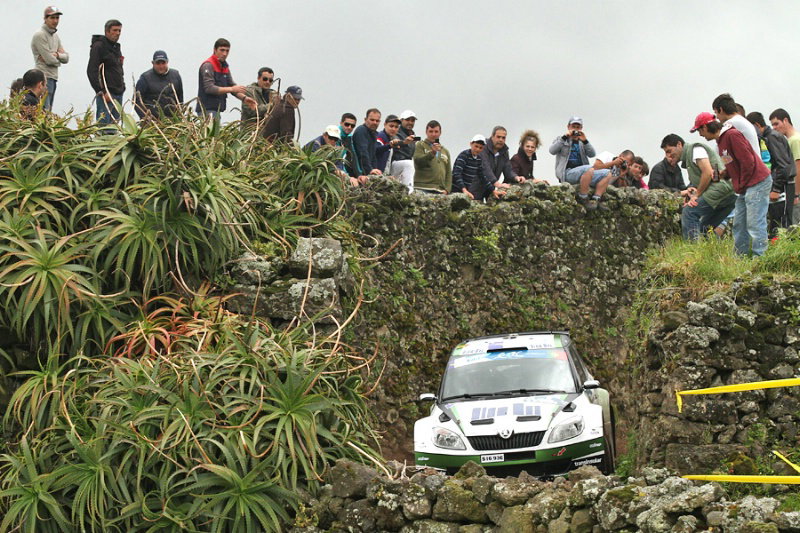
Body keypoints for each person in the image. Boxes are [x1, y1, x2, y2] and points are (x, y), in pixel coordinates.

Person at [695, 114, 772, 256]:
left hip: (757, 181)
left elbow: (748, 162)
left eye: (700, 130)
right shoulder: (720, 142)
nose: (700, 134)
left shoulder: (732, 135)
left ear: (705, 127)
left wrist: (741, 183)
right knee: (739, 224)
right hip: (747, 185)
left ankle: (760, 259)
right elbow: (734, 163)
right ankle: (740, 258)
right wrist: (725, 174)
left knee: (755, 222)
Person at [662, 130, 735, 241]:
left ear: (679, 144)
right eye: (666, 153)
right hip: (729, 194)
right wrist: (693, 191)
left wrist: (697, 194)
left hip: (720, 189)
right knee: (704, 228)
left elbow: (707, 172)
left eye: (669, 151)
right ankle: (712, 253)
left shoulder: (695, 149)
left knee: (689, 212)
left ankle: (692, 253)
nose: (668, 155)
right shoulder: (691, 156)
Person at [549, 116, 617, 210]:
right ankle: (583, 197)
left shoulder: (582, 142)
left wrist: (585, 141)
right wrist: (565, 136)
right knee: (589, 168)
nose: (575, 129)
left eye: (578, 127)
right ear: (568, 127)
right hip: (567, 173)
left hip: (585, 174)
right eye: (573, 126)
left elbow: (592, 154)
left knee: (607, 173)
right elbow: (552, 151)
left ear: (581, 128)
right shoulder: (561, 139)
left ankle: (596, 199)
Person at [747, 111, 797, 234]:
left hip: (783, 187)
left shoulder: (772, 137)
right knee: (774, 223)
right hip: (776, 186)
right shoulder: (765, 139)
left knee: (783, 225)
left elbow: (783, 165)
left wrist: (776, 189)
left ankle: (787, 252)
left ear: (757, 125)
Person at [196, 38, 255, 119]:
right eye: (222, 50)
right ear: (215, 50)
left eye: (227, 51)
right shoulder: (208, 65)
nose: (224, 53)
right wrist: (231, 89)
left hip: (217, 109)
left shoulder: (224, 67)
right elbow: (209, 88)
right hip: (206, 109)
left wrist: (244, 98)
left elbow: (232, 86)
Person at [31, 6, 68, 111]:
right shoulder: (40, 35)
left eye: (57, 18)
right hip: (43, 78)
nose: (55, 21)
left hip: (53, 77)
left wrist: (57, 55)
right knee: (44, 111)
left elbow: (66, 58)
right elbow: (49, 60)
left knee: (49, 111)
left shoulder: (55, 36)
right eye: (52, 18)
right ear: (45, 18)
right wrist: (58, 60)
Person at [87, 19, 124, 125]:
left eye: (119, 31)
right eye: (115, 30)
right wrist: (101, 91)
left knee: (115, 127)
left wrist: (122, 87)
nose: (117, 33)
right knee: (104, 127)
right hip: (107, 94)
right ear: (107, 31)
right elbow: (92, 71)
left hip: (118, 93)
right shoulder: (99, 46)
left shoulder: (116, 48)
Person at [769, 108, 800, 223]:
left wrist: (795, 194)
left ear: (786, 120)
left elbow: (798, 167)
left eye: (777, 124)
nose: (775, 128)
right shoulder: (789, 140)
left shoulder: (795, 140)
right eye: (772, 125)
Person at [133, 50, 183, 120]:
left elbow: (180, 98)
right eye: (158, 63)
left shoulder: (176, 76)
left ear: (167, 62)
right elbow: (136, 101)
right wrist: (145, 116)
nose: (161, 66)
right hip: (153, 121)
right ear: (153, 63)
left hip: (172, 120)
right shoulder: (145, 78)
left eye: (163, 63)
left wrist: (179, 115)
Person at [452, 134, 502, 200]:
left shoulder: (478, 159)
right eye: (476, 146)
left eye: (480, 147)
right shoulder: (463, 155)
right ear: (471, 144)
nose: (477, 149)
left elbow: (482, 177)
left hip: (465, 190)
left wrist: (493, 191)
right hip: (455, 190)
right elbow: (457, 174)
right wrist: (464, 189)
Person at [711, 93, 760, 157]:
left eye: (716, 112)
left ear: (721, 109)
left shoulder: (731, 123)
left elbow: (718, 147)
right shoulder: (741, 120)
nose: (717, 117)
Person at [480, 126, 524, 197]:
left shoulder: (504, 151)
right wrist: (498, 184)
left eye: (503, 138)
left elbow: (508, 170)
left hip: (491, 187)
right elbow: (485, 168)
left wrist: (516, 177)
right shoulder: (483, 147)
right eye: (498, 137)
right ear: (492, 136)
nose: (501, 140)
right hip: (476, 185)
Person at [413, 120, 452, 194]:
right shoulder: (420, 145)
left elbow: (448, 172)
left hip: (440, 190)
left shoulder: (445, 151)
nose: (433, 134)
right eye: (431, 131)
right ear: (426, 132)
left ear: (440, 133)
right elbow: (418, 161)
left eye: (436, 131)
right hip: (422, 188)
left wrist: (447, 189)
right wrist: (432, 153)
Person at [241, 67, 279, 132]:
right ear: (258, 78)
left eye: (270, 80)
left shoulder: (273, 94)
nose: (267, 82)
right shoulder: (249, 91)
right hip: (250, 134)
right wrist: (272, 105)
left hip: (266, 136)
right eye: (265, 79)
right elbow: (251, 111)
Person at [390, 110, 418, 192]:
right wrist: (404, 142)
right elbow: (395, 143)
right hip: (395, 162)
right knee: (408, 164)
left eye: (412, 120)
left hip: (403, 165)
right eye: (407, 120)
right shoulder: (396, 131)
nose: (410, 122)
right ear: (401, 120)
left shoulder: (411, 134)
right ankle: (409, 192)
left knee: (409, 163)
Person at [351, 108, 383, 177]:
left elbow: (373, 156)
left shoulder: (373, 133)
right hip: (357, 174)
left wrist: (375, 171)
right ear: (365, 119)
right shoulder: (361, 131)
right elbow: (362, 153)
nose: (374, 122)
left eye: (377, 121)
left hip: (367, 173)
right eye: (372, 120)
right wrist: (370, 170)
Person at [338, 113, 359, 178]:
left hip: (339, 167)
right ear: (341, 123)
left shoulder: (348, 137)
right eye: (347, 124)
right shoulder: (335, 135)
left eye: (352, 126)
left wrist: (359, 175)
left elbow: (352, 156)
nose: (349, 127)